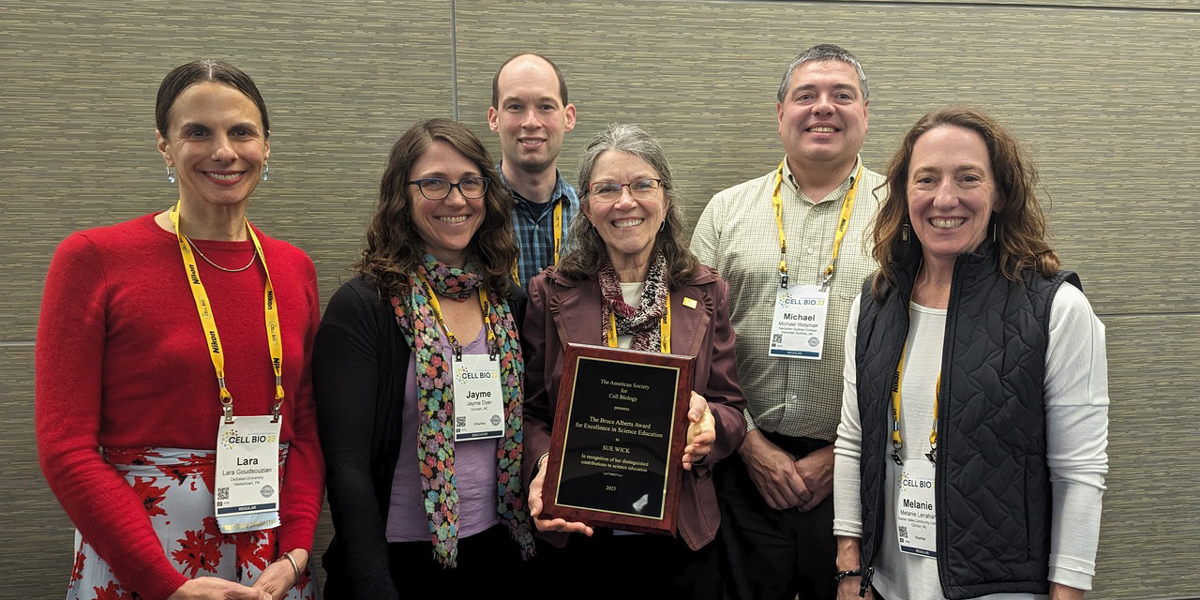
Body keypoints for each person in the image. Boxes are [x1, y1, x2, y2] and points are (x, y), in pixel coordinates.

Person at [36, 60, 323, 600]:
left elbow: (304, 429)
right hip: (145, 560)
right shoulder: (93, 259)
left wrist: (296, 552)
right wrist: (163, 583)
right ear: (164, 146)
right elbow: (65, 447)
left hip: (271, 561)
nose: (224, 151)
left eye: (242, 131)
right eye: (198, 132)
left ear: (267, 145)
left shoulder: (292, 268)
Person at [832, 107, 1109, 600]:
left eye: (968, 178)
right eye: (926, 179)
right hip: (887, 585)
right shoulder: (873, 305)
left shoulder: (1056, 308)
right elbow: (853, 442)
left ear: (999, 193)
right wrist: (850, 569)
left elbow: (1079, 472)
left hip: (999, 589)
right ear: (904, 193)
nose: (945, 198)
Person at [690, 44, 883, 600]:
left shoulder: (902, 213)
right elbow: (691, 345)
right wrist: (749, 443)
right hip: (742, 470)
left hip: (859, 467)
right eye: (806, 96)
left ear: (865, 113)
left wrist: (845, 455)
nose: (823, 108)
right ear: (780, 115)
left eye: (841, 95)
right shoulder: (726, 211)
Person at [313, 118, 535, 599]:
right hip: (399, 563)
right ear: (402, 195)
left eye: (469, 182)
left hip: (500, 550)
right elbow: (347, 466)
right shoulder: (364, 307)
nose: (455, 199)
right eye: (433, 182)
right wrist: (375, 584)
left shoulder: (508, 301)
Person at [522, 124, 747, 598]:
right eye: (607, 189)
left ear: (665, 201)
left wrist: (711, 429)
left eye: (643, 185)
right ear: (587, 207)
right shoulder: (550, 293)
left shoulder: (705, 291)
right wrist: (545, 461)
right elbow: (532, 411)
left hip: (682, 536)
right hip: (580, 530)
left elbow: (730, 407)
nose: (626, 202)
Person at [487, 53, 579, 288]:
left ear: (568, 118)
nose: (530, 122)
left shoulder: (590, 215)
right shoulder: (472, 211)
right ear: (494, 118)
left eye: (545, 106)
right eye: (515, 107)